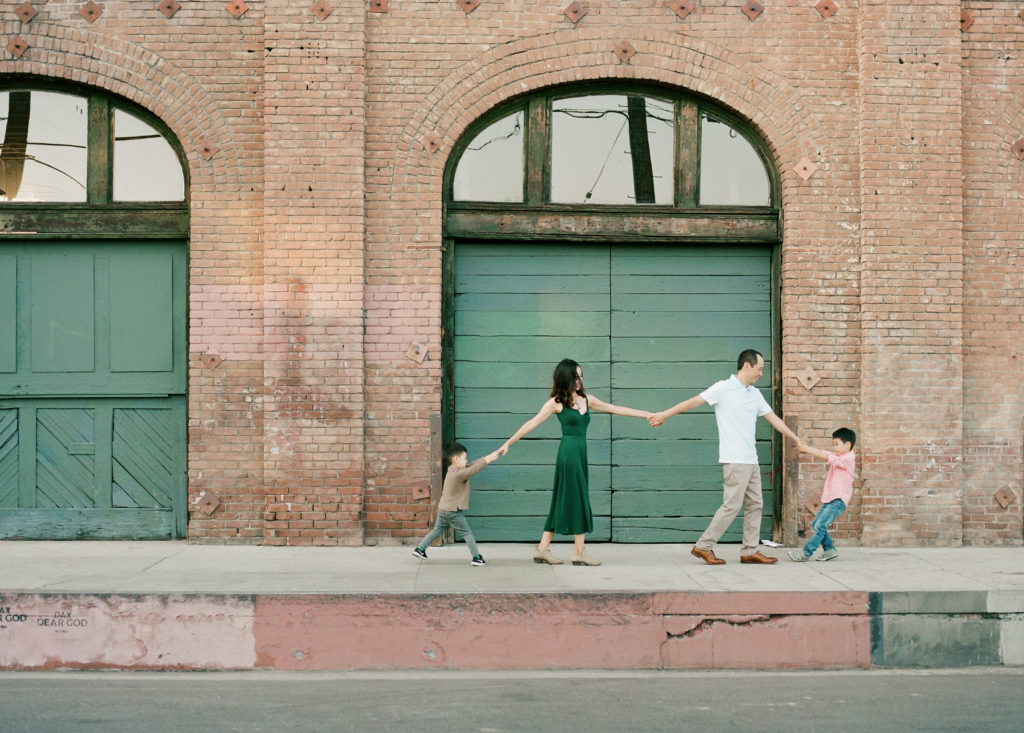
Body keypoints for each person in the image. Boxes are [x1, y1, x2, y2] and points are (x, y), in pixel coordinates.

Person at [648, 349, 800, 565]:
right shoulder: (723, 388)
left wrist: (794, 438)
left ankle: (749, 550)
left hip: (751, 459)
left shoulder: (755, 394)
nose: (760, 374)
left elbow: (773, 419)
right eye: (759, 369)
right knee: (731, 506)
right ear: (746, 366)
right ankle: (703, 546)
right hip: (735, 459)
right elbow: (693, 402)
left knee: (756, 504)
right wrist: (665, 414)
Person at [499, 358, 651, 567]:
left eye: (581, 376)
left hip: (580, 454)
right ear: (566, 377)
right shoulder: (556, 403)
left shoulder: (587, 400)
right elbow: (531, 423)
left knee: (562, 498)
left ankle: (543, 549)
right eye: (575, 376)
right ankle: (579, 552)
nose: (579, 380)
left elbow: (615, 408)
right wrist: (509, 442)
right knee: (578, 498)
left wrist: (647, 415)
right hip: (568, 454)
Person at [412, 441, 500, 567]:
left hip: (443, 508)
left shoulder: (453, 470)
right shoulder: (459, 474)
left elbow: (470, 465)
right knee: (466, 532)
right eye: (464, 458)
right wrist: (489, 460)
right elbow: (473, 469)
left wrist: (489, 456)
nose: (466, 461)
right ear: (455, 459)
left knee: (437, 530)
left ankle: (420, 548)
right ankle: (476, 557)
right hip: (453, 511)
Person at [788, 427, 857, 562]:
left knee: (820, 526)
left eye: (837, 444)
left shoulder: (848, 459)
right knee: (816, 524)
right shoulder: (840, 455)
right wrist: (807, 448)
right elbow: (825, 453)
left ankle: (806, 553)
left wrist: (808, 450)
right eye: (833, 444)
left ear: (848, 444)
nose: (834, 447)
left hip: (838, 500)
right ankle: (829, 550)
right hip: (831, 499)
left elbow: (827, 456)